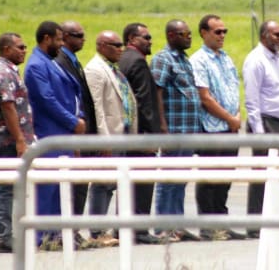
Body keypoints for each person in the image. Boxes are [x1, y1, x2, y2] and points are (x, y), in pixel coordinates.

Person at [24, 21, 86, 250]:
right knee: (47, 187)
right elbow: (47, 100)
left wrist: (78, 118)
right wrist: (73, 121)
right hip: (50, 133)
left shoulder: (51, 63)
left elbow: (72, 92)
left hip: (65, 134)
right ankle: (41, 238)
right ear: (47, 39)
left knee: (61, 187)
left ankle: (56, 235)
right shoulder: (36, 66)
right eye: (59, 40)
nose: (62, 45)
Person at [189, 14, 245, 241]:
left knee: (225, 178)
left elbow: (234, 89)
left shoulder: (226, 58)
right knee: (210, 178)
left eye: (224, 31)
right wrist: (229, 118)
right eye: (217, 31)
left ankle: (222, 222)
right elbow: (205, 97)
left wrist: (238, 114)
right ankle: (208, 226)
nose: (222, 35)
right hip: (211, 127)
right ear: (204, 33)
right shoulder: (198, 60)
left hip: (230, 126)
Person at [84, 31, 137, 246]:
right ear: (102, 46)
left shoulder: (114, 69)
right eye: (116, 45)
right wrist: (103, 139)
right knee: (102, 183)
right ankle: (97, 232)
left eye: (122, 45)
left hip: (120, 134)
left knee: (112, 184)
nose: (121, 49)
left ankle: (103, 229)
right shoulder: (95, 70)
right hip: (109, 136)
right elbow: (97, 107)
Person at [151, 19, 201, 242]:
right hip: (173, 128)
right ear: (171, 36)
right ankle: (163, 227)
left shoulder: (184, 59)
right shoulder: (163, 58)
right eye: (184, 34)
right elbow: (157, 92)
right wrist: (162, 128)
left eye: (190, 34)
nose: (189, 37)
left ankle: (178, 225)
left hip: (189, 127)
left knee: (180, 179)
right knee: (168, 179)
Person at [0, 33, 35, 253]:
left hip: (7, 139)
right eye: (20, 47)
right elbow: (8, 107)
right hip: (8, 139)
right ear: (6, 49)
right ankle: (4, 237)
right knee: (5, 188)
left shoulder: (9, 71)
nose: (24, 50)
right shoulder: (3, 73)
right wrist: (20, 140)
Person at [242, 20, 279, 239]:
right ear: (264, 36)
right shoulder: (256, 60)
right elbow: (252, 100)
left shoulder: (278, 60)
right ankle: (255, 226)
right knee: (262, 175)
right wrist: (259, 133)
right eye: (276, 35)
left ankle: (274, 221)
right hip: (264, 122)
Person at [54, 20, 99, 249]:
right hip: (74, 133)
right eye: (78, 35)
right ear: (64, 37)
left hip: (85, 131)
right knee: (74, 185)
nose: (83, 39)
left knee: (82, 184)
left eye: (83, 34)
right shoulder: (60, 62)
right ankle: (67, 232)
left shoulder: (74, 61)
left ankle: (74, 231)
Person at [118, 23, 163, 244]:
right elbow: (144, 103)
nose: (150, 41)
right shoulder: (137, 62)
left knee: (128, 183)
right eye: (146, 37)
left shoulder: (123, 59)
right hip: (141, 135)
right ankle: (140, 230)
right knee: (143, 183)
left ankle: (125, 227)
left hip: (128, 133)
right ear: (132, 39)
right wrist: (150, 136)